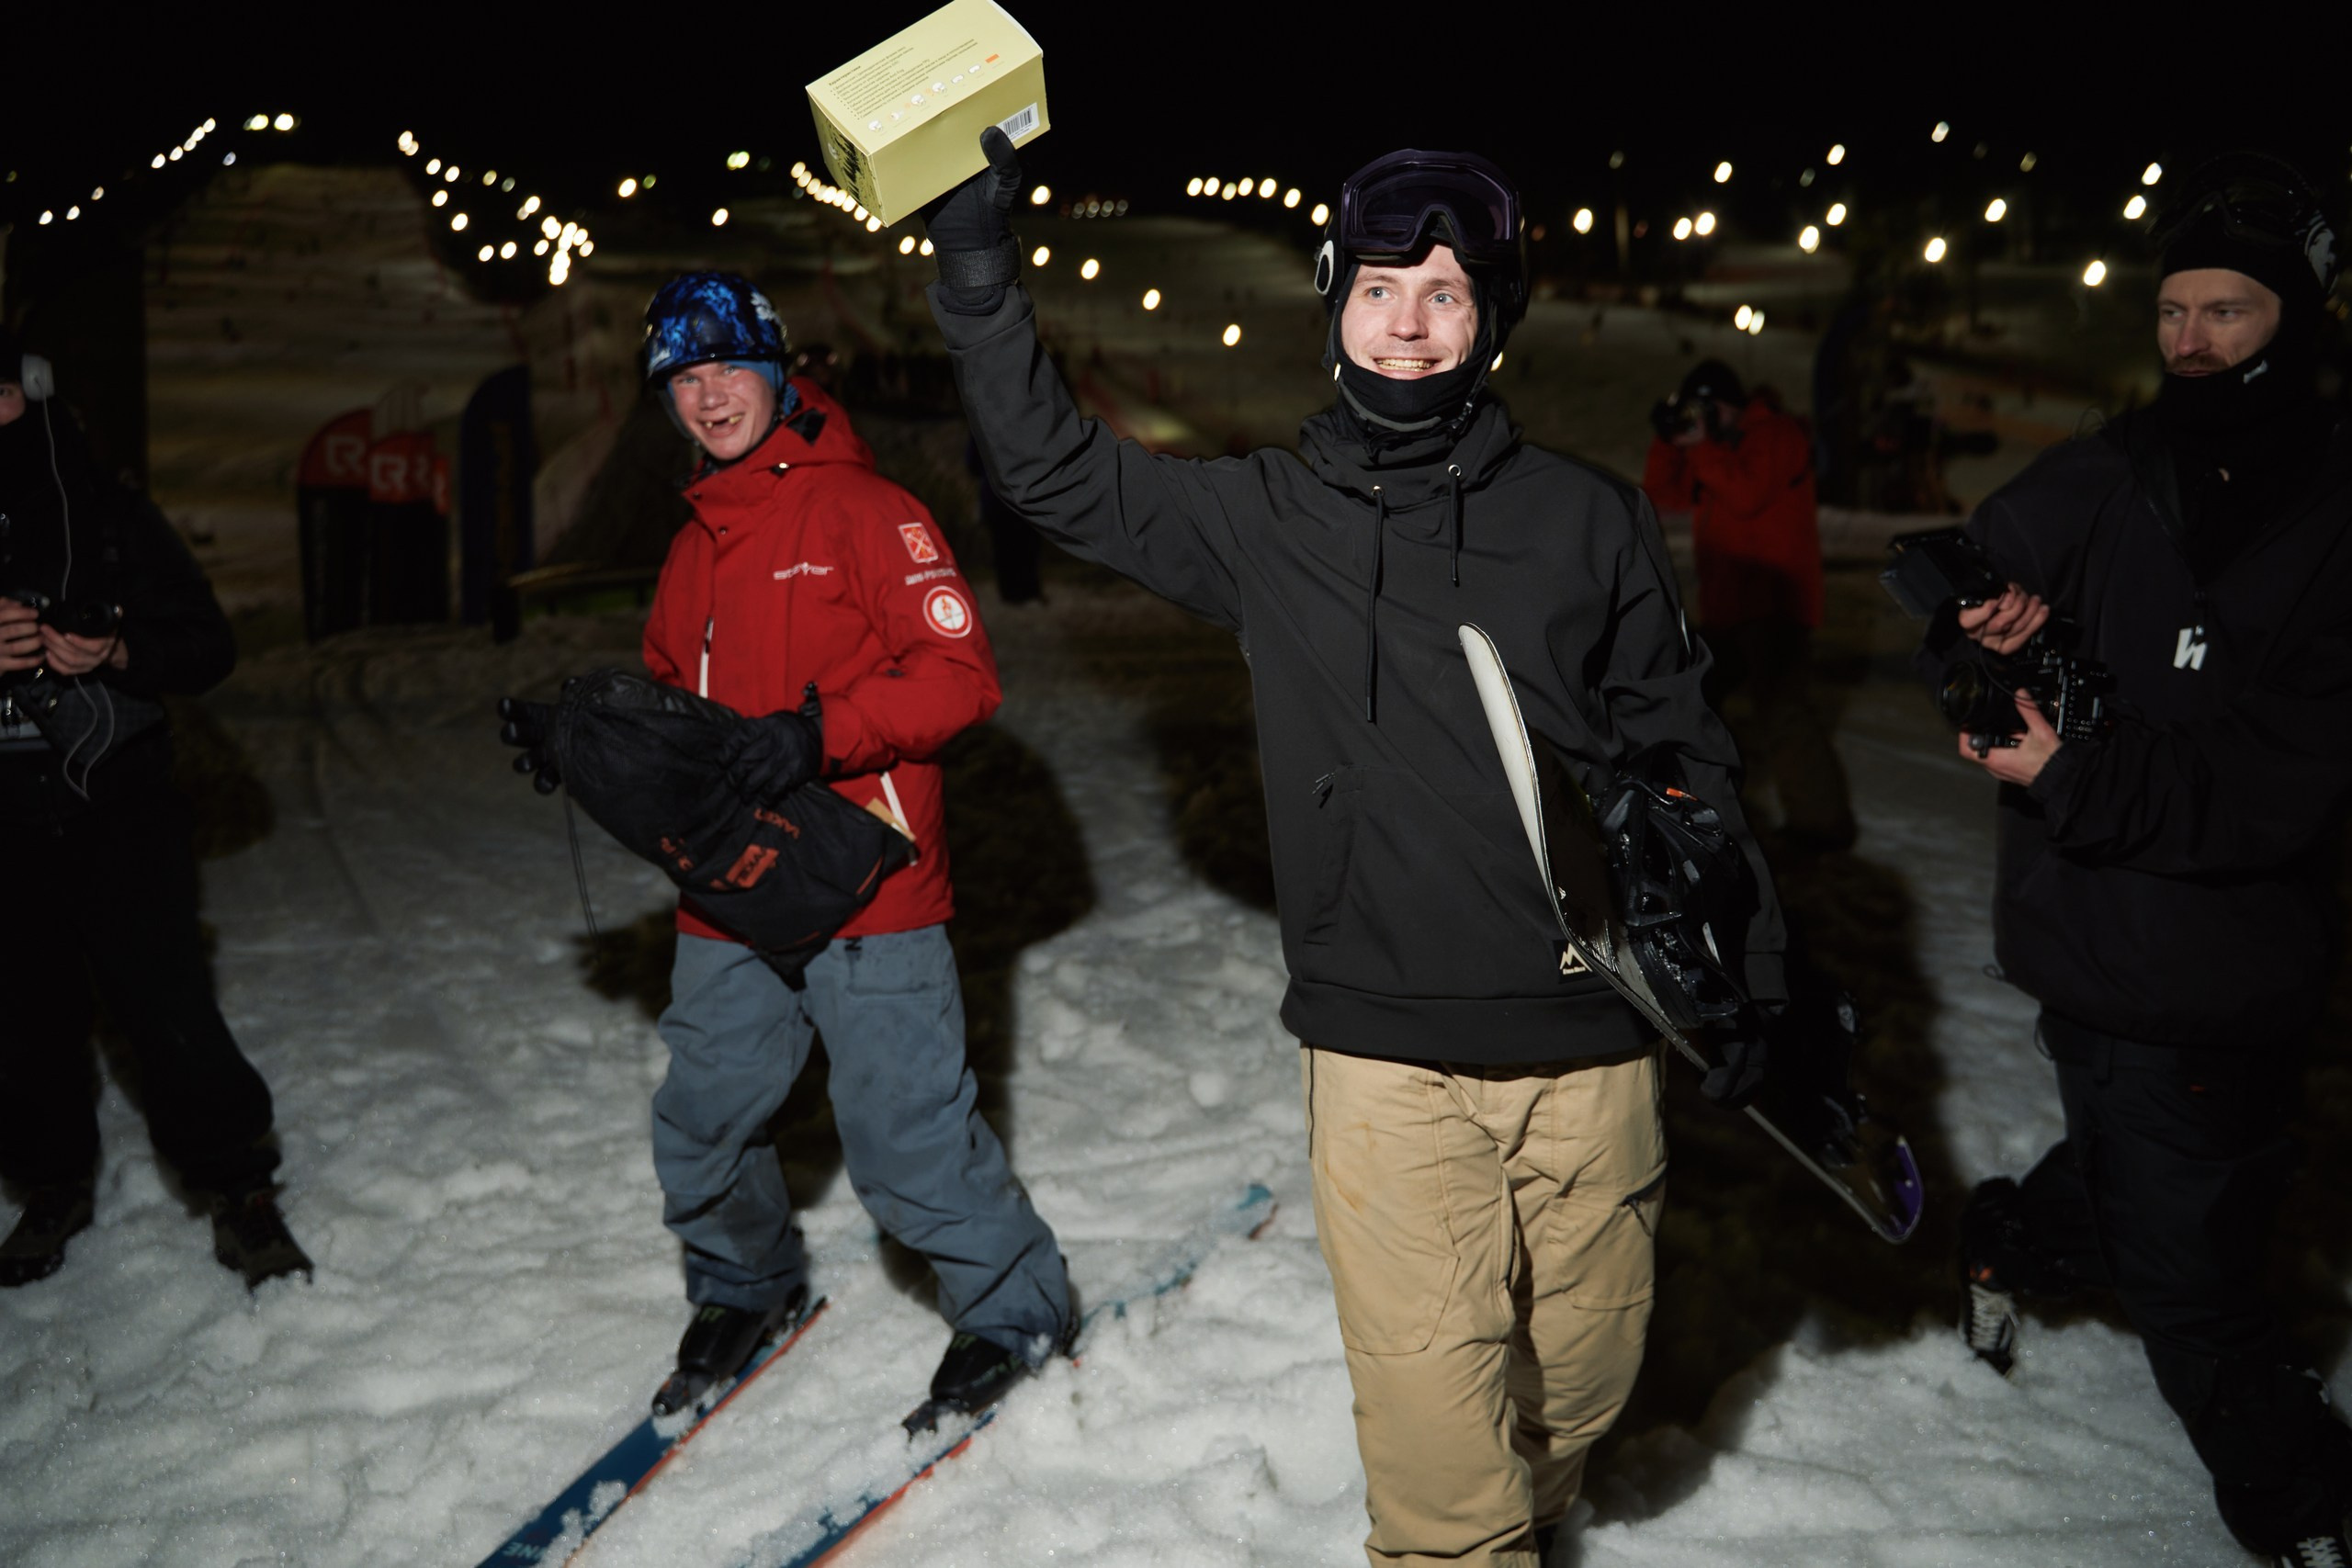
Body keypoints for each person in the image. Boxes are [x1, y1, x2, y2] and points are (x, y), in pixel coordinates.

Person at [926, 136, 1788, 1568]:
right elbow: (1050, 470)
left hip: (1597, 1038)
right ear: (1333, 301)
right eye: (1381, 285)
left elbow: (1682, 748)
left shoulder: (1586, 520)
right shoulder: (1269, 519)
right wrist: (973, 261)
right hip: (1387, 1062)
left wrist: (1753, 964)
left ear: (1488, 320)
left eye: (1445, 291)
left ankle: (1521, 1496)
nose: (1407, 318)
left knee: (1577, 1390)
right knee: (1451, 1503)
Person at [539, 273, 1070, 1419]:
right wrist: (599, 749)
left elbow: (960, 679)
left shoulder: (870, 514)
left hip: (863, 875)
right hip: (732, 884)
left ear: (779, 370)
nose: (710, 394)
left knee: (903, 1142)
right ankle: (746, 1283)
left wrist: (819, 732)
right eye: (684, 378)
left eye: (728, 365)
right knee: (702, 1118)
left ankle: (1012, 1307)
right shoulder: (691, 549)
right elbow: (682, 708)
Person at [1935, 156, 2352, 1567]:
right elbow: (1959, 579)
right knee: (2199, 1278)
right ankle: (2310, 1506)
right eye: (2173, 311)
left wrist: (2083, 768)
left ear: (2297, 318)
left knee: (2159, 1176)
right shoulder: (2115, 466)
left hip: (2246, 947)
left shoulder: (2332, 509)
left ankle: (2007, 1240)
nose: (2190, 340)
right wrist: (1991, 633)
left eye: (2226, 311)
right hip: (2113, 938)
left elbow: (2285, 769)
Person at [0, 329, 311, 1291]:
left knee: (167, 1009)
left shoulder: (106, 510)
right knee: (21, 1023)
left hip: (119, 803)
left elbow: (206, 644)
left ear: (33, 395)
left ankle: (239, 1188)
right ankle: (51, 1187)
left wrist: (118, 649)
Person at [1643, 359, 1856, 852]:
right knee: (1692, 706)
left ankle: (1823, 827)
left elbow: (1746, 495)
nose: (1703, 418)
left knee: (1784, 714)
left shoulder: (1779, 434)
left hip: (1777, 605)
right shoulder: (1715, 447)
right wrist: (1668, 440)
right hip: (1728, 608)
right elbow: (1662, 495)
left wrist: (1703, 446)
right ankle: (1689, 810)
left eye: (1707, 408)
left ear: (1732, 404)